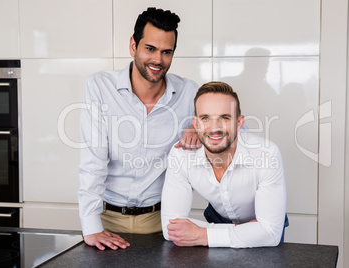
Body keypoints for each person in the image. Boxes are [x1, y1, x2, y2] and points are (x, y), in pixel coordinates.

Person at [78, 7, 200, 251]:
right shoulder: (100, 87)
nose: (158, 60)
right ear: (133, 46)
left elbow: (236, 134)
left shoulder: (190, 93)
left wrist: (203, 130)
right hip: (106, 219)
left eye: (167, 52)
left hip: (161, 221)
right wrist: (91, 227)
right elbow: (93, 161)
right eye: (150, 49)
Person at [161, 82, 287, 248]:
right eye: (205, 118)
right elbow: (170, 228)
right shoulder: (180, 155)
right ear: (196, 124)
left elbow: (271, 233)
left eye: (225, 118)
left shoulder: (267, 154)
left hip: (263, 225)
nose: (214, 128)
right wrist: (251, 231)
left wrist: (203, 235)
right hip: (220, 220)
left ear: (239, 123)